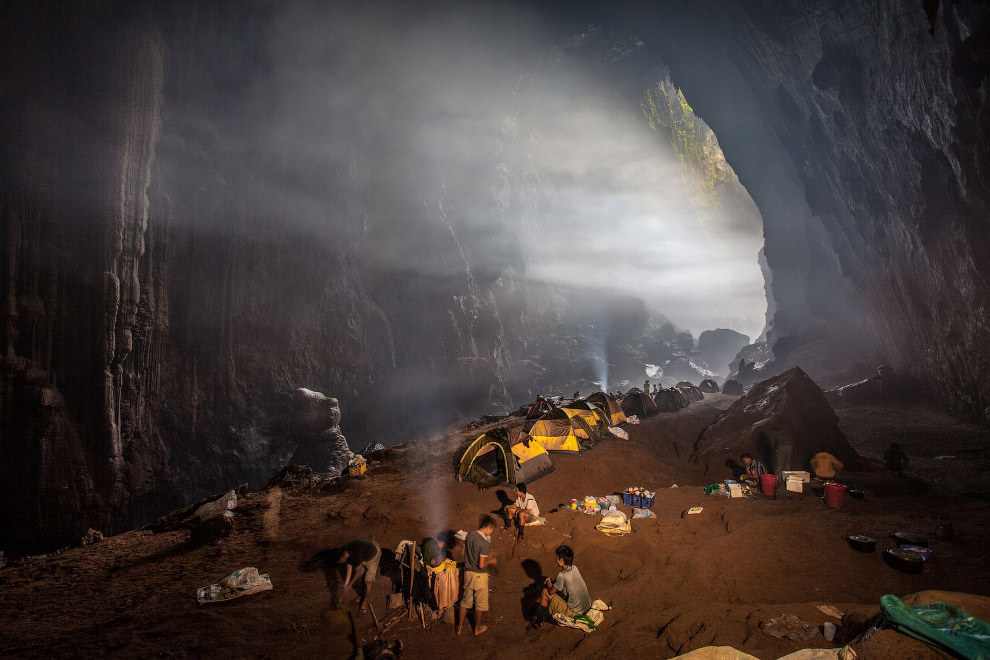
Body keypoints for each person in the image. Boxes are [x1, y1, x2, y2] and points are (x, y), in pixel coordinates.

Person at [457, 515, 498, 636]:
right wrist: (491, 561)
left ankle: (459, 628)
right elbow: (481, 564)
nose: (491, 533)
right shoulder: (484, 543)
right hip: (480, 576)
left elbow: (465, 552)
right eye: (492, 530)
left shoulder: (470, 535)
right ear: (489, 528)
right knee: (480, 604)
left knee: (465, 602)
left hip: (468, 573)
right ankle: (477, 628)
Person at [535, 545, 591, 626]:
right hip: (587, 607)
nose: (556, 560)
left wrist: (548, 581)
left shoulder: (562, 575)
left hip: (576, 613)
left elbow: (550, 592)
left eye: (557, 558)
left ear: (561, 560)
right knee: (562, 590)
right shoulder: (574, 568)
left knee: (545, 592)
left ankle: (538, 621)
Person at [331, 538, 381, 616]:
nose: (342, 562)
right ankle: (361, 595)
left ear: (343, 557)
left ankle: (364, 604)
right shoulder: (344, 550)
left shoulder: (357, 554)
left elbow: (356, 574)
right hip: (364, 554)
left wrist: (349, 585)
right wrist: (346, 585)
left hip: (373, 556)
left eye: (341, 561)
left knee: (368, 581)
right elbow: (349, 565)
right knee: (359, 577)